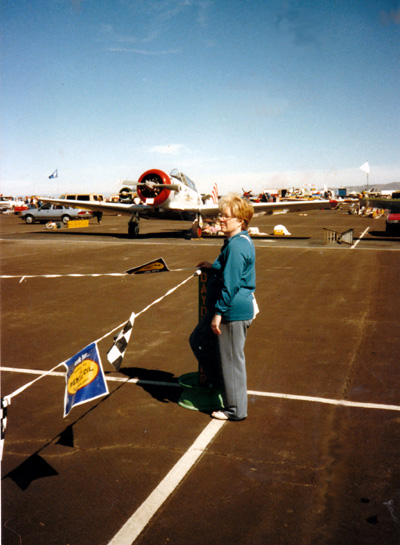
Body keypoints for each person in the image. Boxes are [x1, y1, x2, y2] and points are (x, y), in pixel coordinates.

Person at [189, 194, 257, 421]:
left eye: (226, 216)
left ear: (240, 221)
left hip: (231, 311)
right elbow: (226, 268)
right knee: (198, 340)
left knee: (231, 360)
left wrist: (218, 313)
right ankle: (224, 386)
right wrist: (212, 266)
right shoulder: (236, 242)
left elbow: (231, 283)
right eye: (221, 215)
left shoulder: (237, 247)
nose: (220, 219)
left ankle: (235, 409)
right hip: (229, 308)